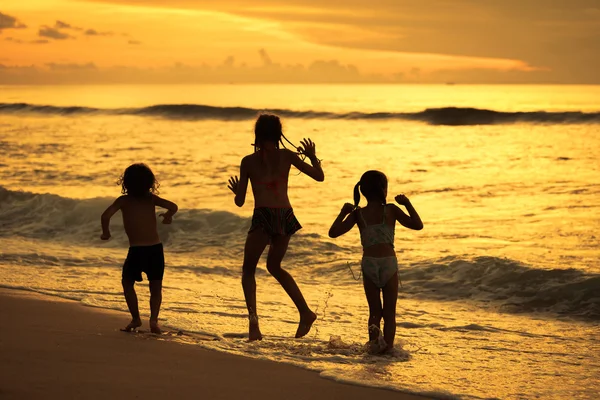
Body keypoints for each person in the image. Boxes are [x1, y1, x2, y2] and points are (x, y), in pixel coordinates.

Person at [227, 113, 324, 341]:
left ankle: (254, 327)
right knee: (274, 266)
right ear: (279, 134)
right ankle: (305, 312)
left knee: (249, 270)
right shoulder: (288, 156)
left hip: (263, 216)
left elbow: (240, 202)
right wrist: (312, 156)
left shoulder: (248, 161)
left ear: (257, 134)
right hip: (285, 215)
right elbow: (319, 177)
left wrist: (236, 192)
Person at [328, 170, 423, 353]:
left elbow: (333, 232)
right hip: (388, 263)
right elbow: (417, 225)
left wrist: (343, 212)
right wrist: (407, 203)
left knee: (374, 313)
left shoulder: (358, 214)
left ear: (363, 191)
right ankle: (388, 350)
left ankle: (373, 349)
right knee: (389, 313)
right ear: (383, 190)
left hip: (369, 264)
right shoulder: (391, 210)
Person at [100, 163, 178, 334]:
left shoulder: (123, 201)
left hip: (136, 251)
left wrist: (106, 233)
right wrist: (168, 216)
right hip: (155, 250)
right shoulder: (151, 199)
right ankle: (154, 321)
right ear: (150, 183)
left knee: (127, 283)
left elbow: (105, 216)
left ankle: (136, 318)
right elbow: (173, 206)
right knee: (155, 287)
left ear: (126, 183)